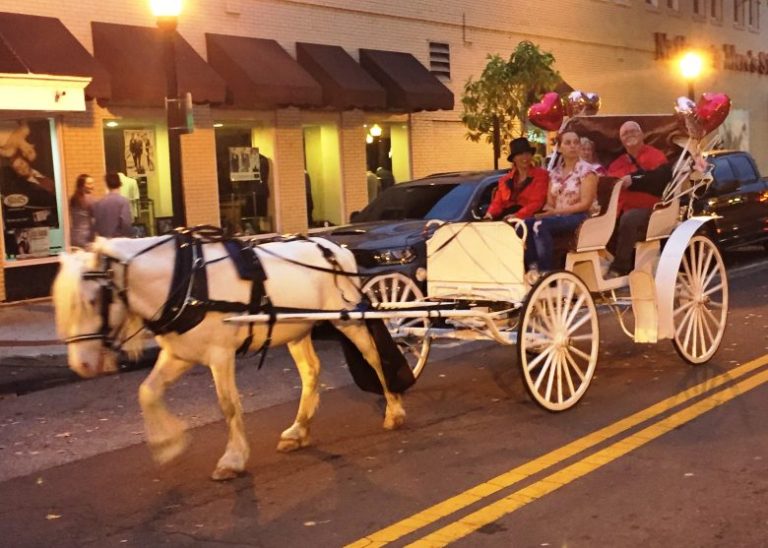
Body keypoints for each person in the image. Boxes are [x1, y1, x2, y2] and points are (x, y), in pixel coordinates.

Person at [524, 130, 598, 272]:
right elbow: (550, 203)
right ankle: (533, 268)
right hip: (558, 217)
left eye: (576, 143)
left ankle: (547, 272)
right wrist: (545, 212)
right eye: (568, 143)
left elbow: (585, 204)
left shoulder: (587, 171)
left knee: (540, 226)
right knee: (527, 224)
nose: (573, 146)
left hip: (582, 217)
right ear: (559, 148)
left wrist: (556, 212)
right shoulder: (554, 173)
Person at [605, 121, 672, 277]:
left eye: (633, 131)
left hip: (651, 211)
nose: (629, 134)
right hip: (619, 209)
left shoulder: (655, 156)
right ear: (621, 140)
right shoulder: (616, 164)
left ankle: (620, 267)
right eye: (625, 133)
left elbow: (660, 178)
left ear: (642, 135)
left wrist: (634, 179)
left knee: (630, 218)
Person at [484, 137, 548, 221]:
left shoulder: (541, 175)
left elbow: (537, 203)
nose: (525, 157)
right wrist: (490, 214)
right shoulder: (505, 180)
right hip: (507, 218)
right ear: (514, 158)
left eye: (527, 153)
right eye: (520, 154)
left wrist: (517, 215)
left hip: (529, 219)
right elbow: (498, 202)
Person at [93, 172, 134, 238]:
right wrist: (128, 237)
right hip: (119, 240)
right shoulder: (123, 201)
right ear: (119, 183)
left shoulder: (99, 203)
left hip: (105, 241)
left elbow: (97, 224)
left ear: (107, 185)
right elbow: (126, 222)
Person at [69, 174, 95, 248]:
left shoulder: (73, 199)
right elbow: (95, 219)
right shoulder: (90, 200)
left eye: (92, 183)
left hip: (74, 236)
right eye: (89, 184)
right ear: (82, 185)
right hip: (86, 237)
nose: (92, 186)